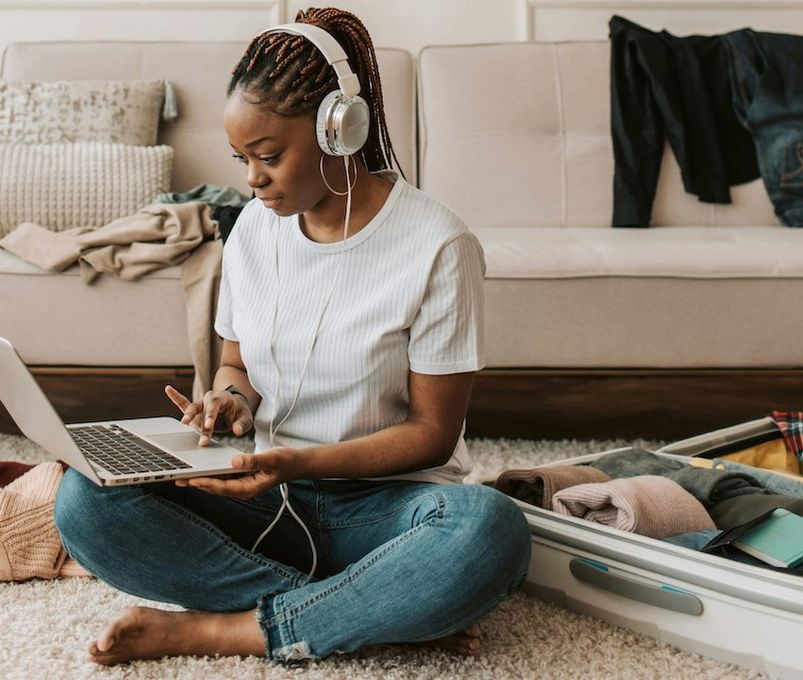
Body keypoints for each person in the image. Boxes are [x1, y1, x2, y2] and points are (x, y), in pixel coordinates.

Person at [54, 7, 531, 667]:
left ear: (341, 130)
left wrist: (297, 464)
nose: (252, 179)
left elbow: (432, 434)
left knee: (488, 530)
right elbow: (235, 365)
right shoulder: (253, 228)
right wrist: (229, 402)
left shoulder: (437, 244)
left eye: (270, 156)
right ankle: (369, 612)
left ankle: (223, 631)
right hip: (267, 498)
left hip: (385, 513)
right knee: (83, 500)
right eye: (242, 159)